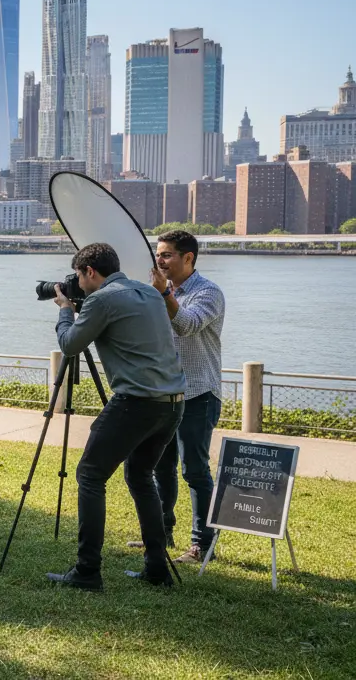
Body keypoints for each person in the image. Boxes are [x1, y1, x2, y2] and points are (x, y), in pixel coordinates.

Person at [45, 243, 188, 591]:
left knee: (90, 475)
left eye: (79, 276)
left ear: (90, 272)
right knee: (140, 475)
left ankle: (87, 570)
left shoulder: (101, 299)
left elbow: (70, 344)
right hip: (172, 402)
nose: (79, 283)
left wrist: (66, 309)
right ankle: (157, 568)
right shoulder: (149, 293)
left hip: (136, 402)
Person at [138, 230, 226, 564]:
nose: (159, 261)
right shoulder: (158, 292)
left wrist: (163, 295)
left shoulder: (209, 292)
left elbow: (187, 325)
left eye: (166, 255)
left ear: (188, 258)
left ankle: (202, 545)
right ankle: (160, 536)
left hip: (198, 393)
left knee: (194, 470)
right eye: (158, 255)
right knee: (161, 467)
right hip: (165, 393)